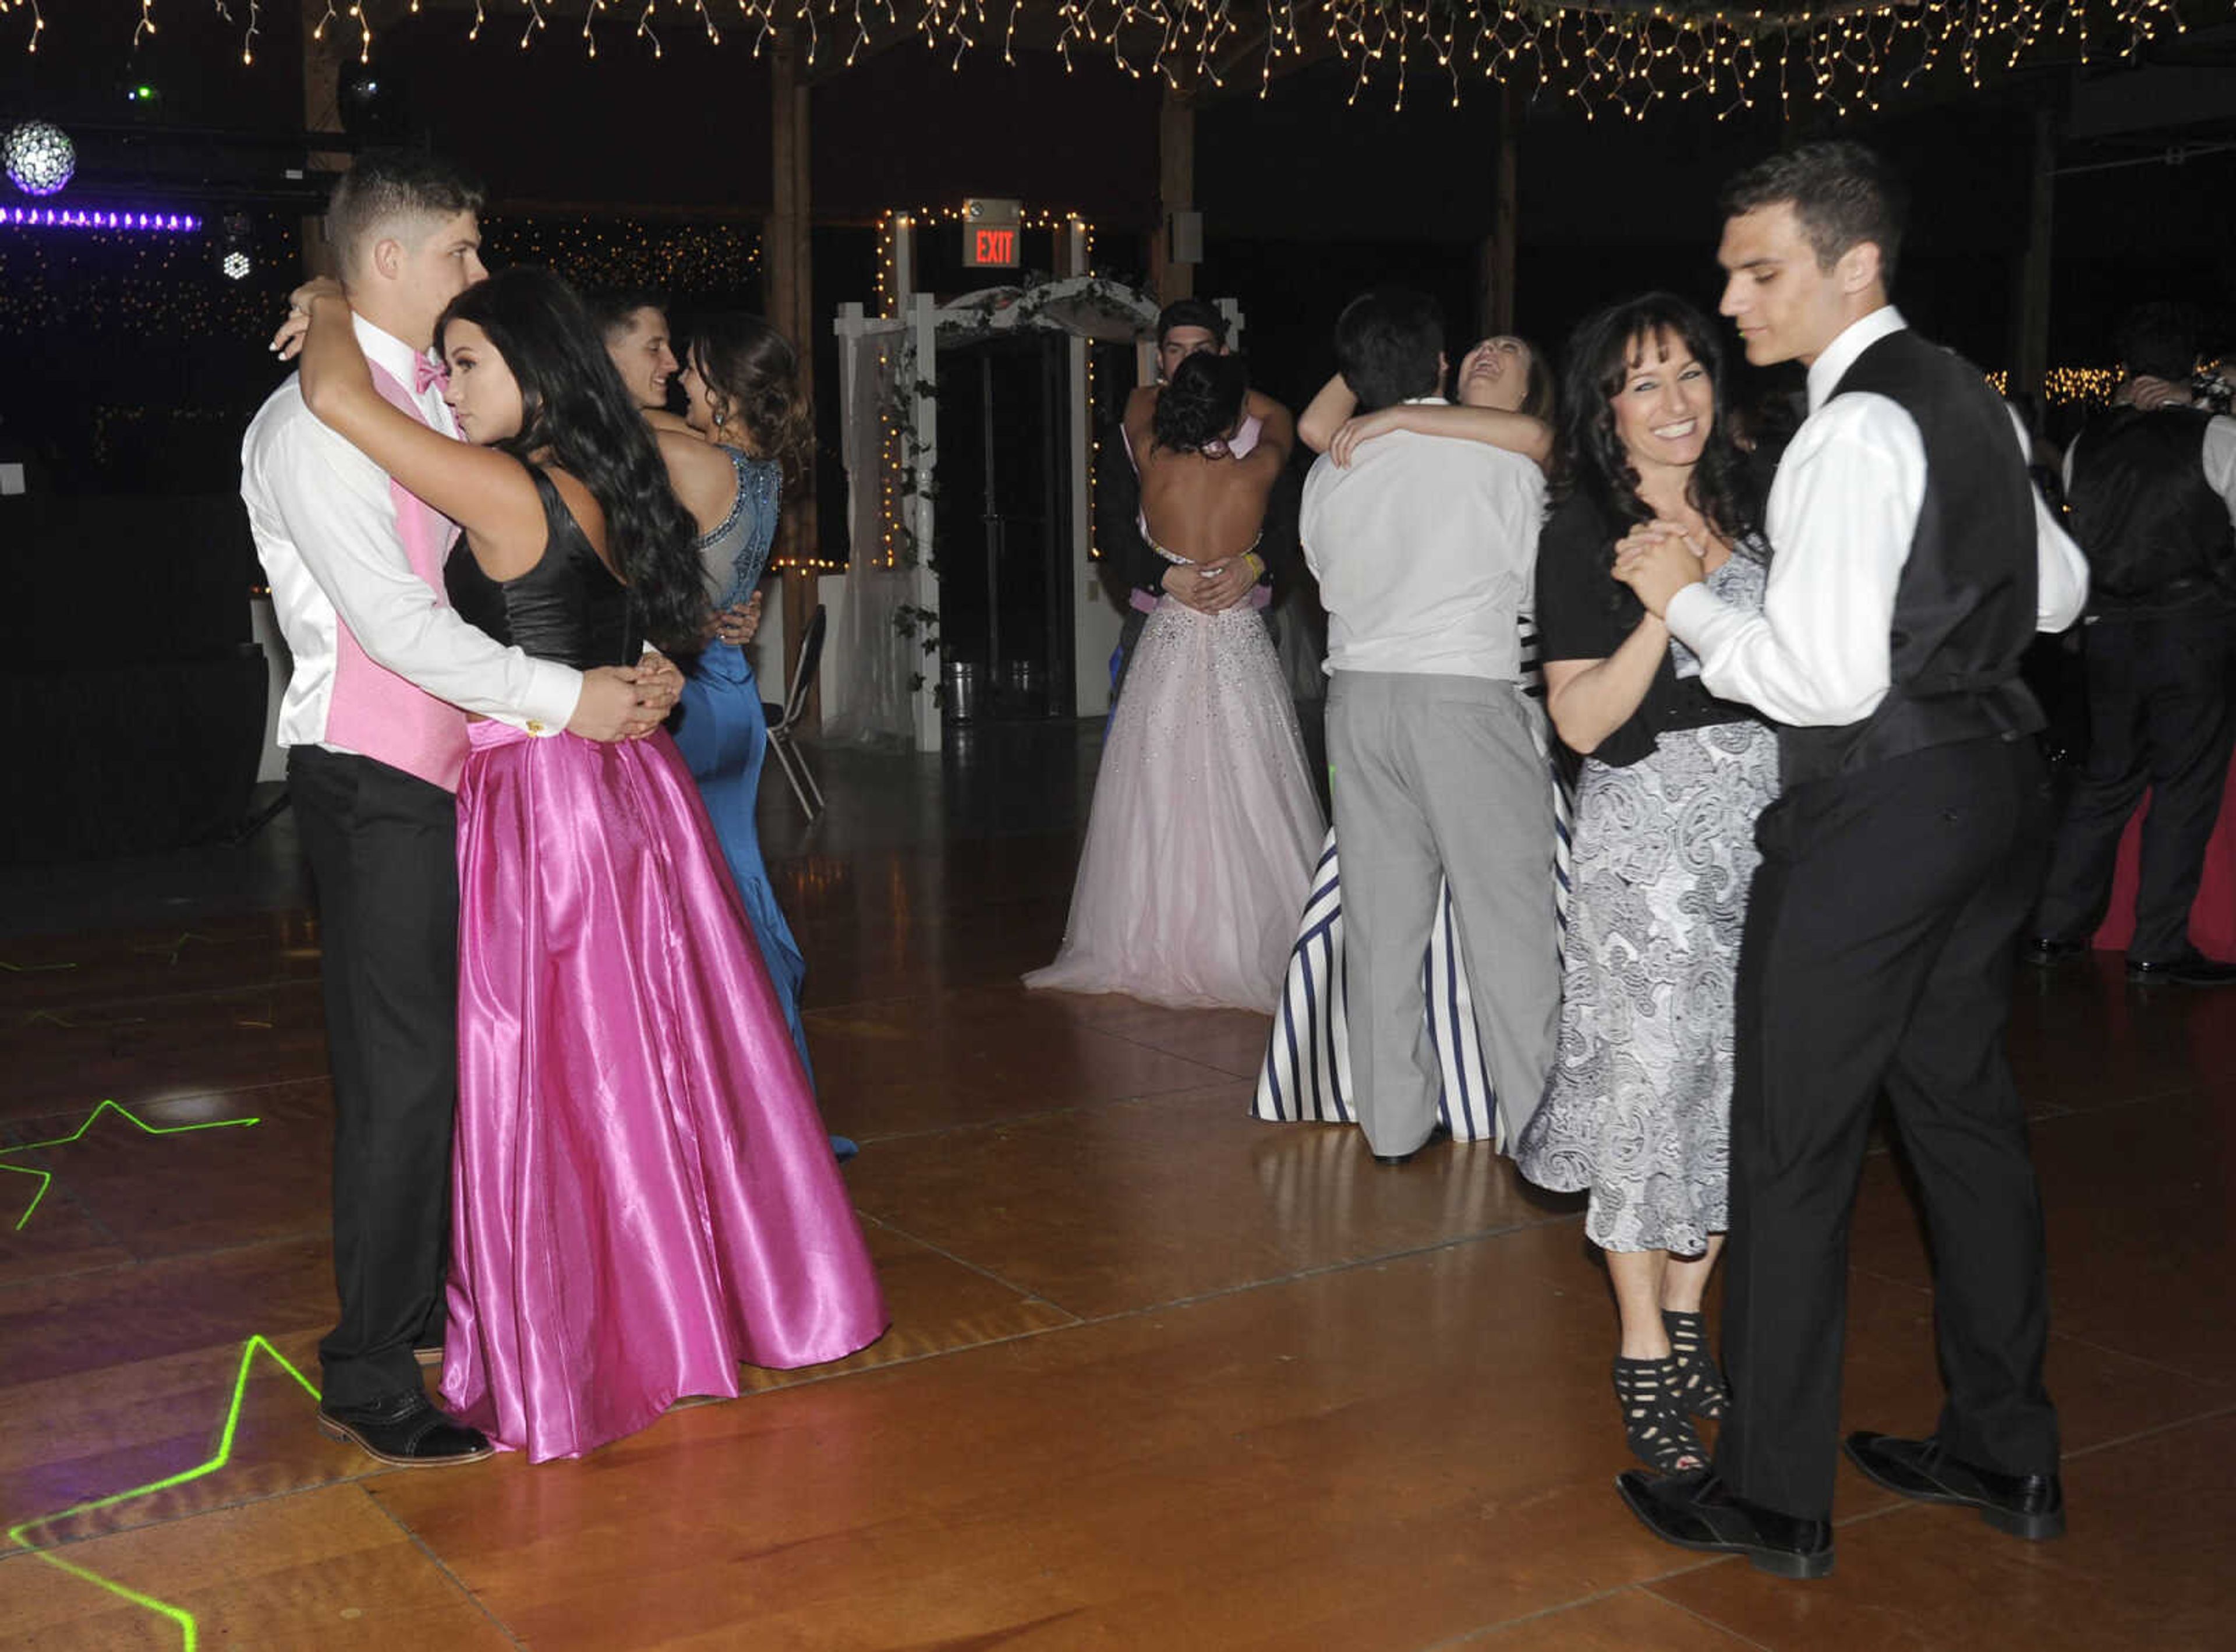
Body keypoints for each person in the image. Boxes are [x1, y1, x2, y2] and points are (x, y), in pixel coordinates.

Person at [283, 263, 887, 1462]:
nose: (449, 392)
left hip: (546, 790)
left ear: (536, 368)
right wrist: (648, 674)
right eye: (446, 366)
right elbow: (657, 626)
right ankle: (682, 1301)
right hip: (629, 784)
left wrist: (332, 306)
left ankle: (592, 1334)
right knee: (647, 1055)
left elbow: (346, 408)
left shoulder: (512, 487)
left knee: (559, 1069)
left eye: (468, 365)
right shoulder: (617, 472)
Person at [1612, 140, 2088, 1578]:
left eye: (1758, 271)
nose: (1732, 298)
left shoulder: (1844, 431)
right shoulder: (1959, 394)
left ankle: (1769, 1493)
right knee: (1958, 1118)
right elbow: (2055, 589)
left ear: (1851, 265)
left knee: (1792, 1144)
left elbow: (1815, 682)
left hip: (1880, 808)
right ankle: (2004, 1450)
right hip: (1996, 787)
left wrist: (1687, 602)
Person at [241, 153, 681, 1469]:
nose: (479, 276)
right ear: (392, 261)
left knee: (467, 1063)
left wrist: (620, 660)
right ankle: (369, 1371)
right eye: (462, 253)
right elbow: (396, 627)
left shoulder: (418, 386)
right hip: (380, 778)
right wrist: (569, 697)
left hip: (480, 772)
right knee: (404, 1077)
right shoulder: (313, 423)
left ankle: (438, 1307)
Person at [1510, 294, 1777, 1475]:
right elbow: (1577, 718)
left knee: (1732, 1084)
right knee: (1648, 1084)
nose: (1674, 403)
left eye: (1688, 375)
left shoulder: (1755, 503)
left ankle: (1685, 1312)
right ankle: (1639, 1346)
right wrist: (1664, 612)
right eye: (1642, 382)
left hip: (1768, 833)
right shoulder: (1583, 528)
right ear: (1606, 409)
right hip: (1650, 843)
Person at [1253, 328, 1566, 1148]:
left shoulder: (1345, 462)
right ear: (1438, 367)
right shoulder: (1496, 467)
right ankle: (1528, 1130)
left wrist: (1387, 395)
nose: (1485, 356)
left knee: (1399, 922)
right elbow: (1542, 596)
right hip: (1458, 703)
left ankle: (1401, 1123)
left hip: (1361, 704)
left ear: (1534, 388)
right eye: (1474, 350)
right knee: (1490, 924)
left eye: (1508, 351)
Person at [1025, 352, 1324, 1009]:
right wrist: (1241, 396)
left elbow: (1136, 403)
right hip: (1238, 637)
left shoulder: (1152, 453)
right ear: (1234, 413)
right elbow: (1283, 419)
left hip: (1169, 632)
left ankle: (1151, 936)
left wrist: (1178, 385)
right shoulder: (1259, 466)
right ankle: (1254, 933)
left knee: (1157, 788)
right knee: (1253, 783)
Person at [612, 309, 822, 1081]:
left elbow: (601, 419)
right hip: (734, 689)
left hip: (691, 699)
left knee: (692, 903)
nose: (676, 375)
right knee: (740, 882)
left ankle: (729, 1078)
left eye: (692, 367)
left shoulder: (690, 460)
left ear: (725, 391)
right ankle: (777, 1079)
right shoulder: (759, 465)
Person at [2025, 302, 2236, 985]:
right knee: (2185, 788)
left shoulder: (2090, 442)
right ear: (2189, 366)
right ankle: (2157, 943)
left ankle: (2056, 929)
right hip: (2192, 631)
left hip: (2107, 635)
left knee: (2105, 783)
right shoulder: (2217, 437)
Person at [1097, 299, 1276, 705]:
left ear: (1223, 356)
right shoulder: (1135, 428)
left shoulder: (1261, 429)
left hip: (1248, 614)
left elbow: (1289, 522)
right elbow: (1113, 525)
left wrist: (1254, 564)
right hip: (1155, 611)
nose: (1188, 364)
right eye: (1176, 351)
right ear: (1161, 359)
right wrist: (1162, 573)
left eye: (1201, 352)